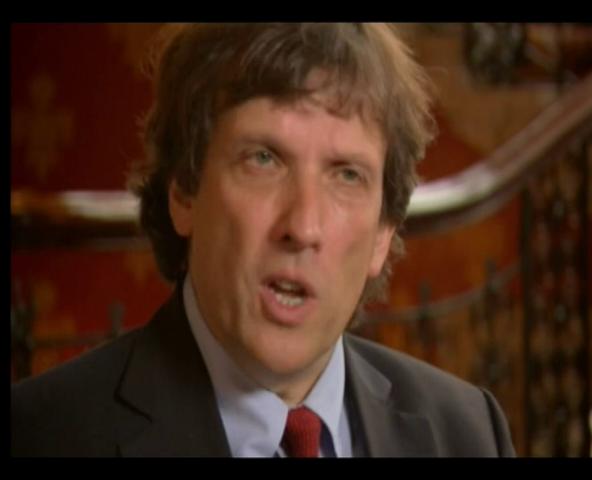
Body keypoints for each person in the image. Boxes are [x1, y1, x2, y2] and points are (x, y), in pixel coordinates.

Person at [11, 23, 515, 457]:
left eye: (346, 175)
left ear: (384, 232)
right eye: (264, 159)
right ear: (184, 189)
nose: (303, 226)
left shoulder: (466, 431)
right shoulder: (41, 435)